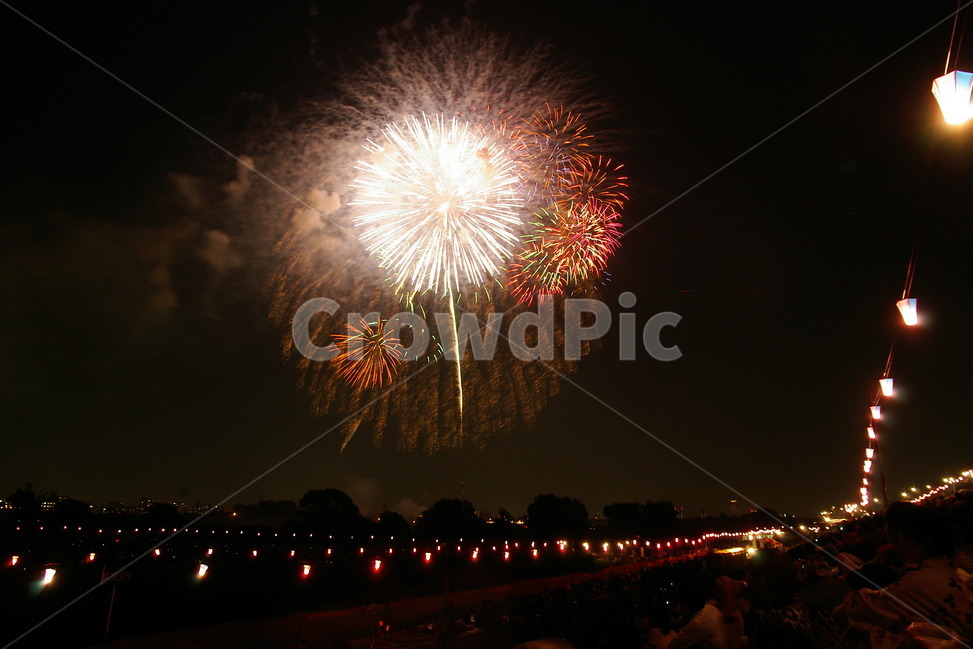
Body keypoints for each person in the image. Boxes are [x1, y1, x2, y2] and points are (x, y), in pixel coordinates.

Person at [835, 505, 973, 647]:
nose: (899, 543)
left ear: (922, 542)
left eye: (904, 536)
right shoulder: (950, 570)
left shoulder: (918, 582)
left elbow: (853, 609)